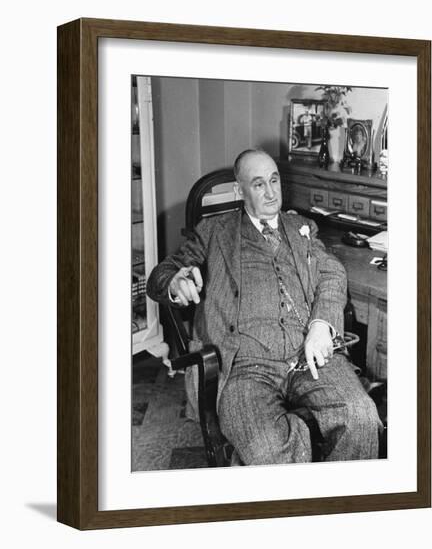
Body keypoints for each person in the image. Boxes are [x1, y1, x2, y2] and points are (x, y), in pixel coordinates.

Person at [146, 149, 381, 465]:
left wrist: (322, 324)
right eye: (259, 185)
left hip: (309, 355)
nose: (271, 193)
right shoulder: (214, 232)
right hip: (244, 367)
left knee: (361, 417)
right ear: (239, 191)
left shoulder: (302, 227)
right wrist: (175, 281)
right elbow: (161, 274)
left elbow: (332, 271)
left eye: (274, 180)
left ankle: (339, 507)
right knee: (269, 448)